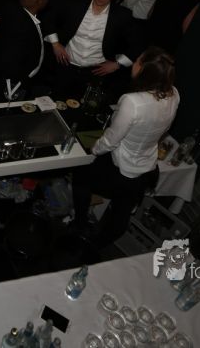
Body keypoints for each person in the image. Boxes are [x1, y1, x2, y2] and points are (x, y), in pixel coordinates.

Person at [71, 47, 179, 246]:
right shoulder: (174, 94)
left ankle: (80, 225)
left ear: (144, 71)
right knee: (121, 213)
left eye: (137, 61)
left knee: (80, 178)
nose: (134, 64)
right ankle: (98, 245)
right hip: (145, 170)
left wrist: (93, 150)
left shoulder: (132, 102)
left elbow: (110, 141)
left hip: (121, 168)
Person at [47, 0, 139, 99]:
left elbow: (138, 44)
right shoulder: (75, 4)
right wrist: (55, 44)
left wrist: (117, 64)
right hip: (66, 65)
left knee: (83, 105)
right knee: (55, 99)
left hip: (95, 72)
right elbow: (49, 17)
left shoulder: (122, 16)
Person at [0, 0, 50, 102]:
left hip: (7, 78)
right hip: (13, 85)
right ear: (40, 2)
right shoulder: (24, 28)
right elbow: (9, 60)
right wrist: (18, 83)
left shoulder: (10, 8)